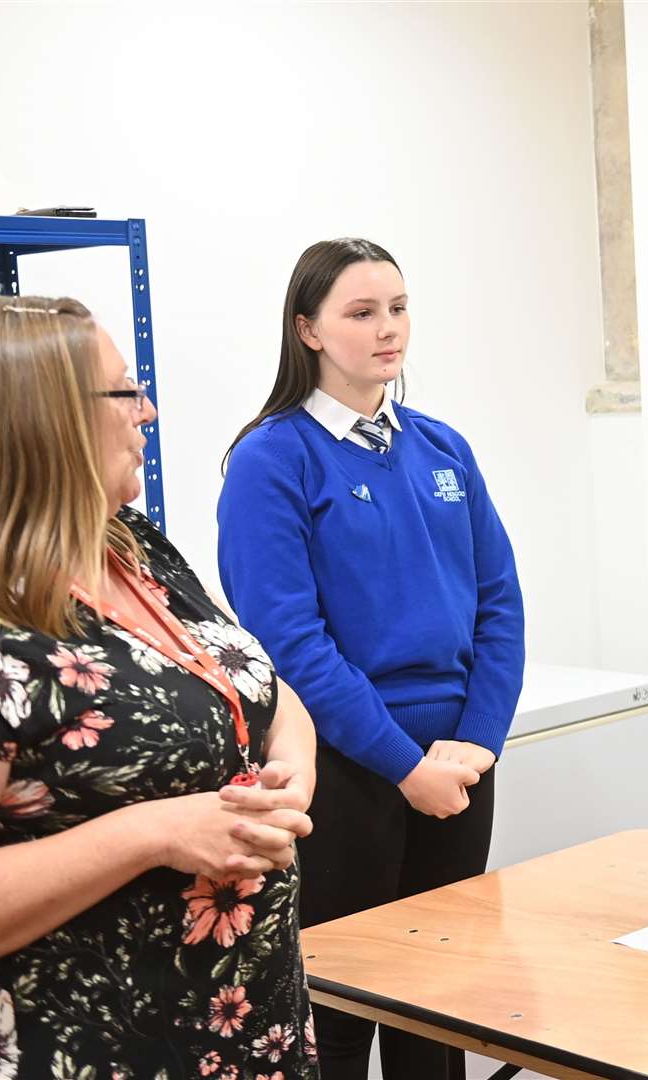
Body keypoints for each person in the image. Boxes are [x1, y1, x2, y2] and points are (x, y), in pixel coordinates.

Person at [0, 297, 319, 1078]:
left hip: (236, 1030)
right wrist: (148, 833)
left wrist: (292, 768)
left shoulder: (131, 545)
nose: (147, 410)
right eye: (125, 392)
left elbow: (256, 687)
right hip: (70, 1049)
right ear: (40, 419)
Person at [218, 238, 525, 1079]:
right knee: (341, 1010)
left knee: (439, 1003)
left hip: (459, 764)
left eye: (397, 308)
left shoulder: (442, 448)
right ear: (307, 330)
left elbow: (499, 602)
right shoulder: (271, 460)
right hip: (346, 768)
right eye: (361, 312)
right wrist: (403, 764)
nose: (388, 329)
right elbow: (289, 645)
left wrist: (479, 741)